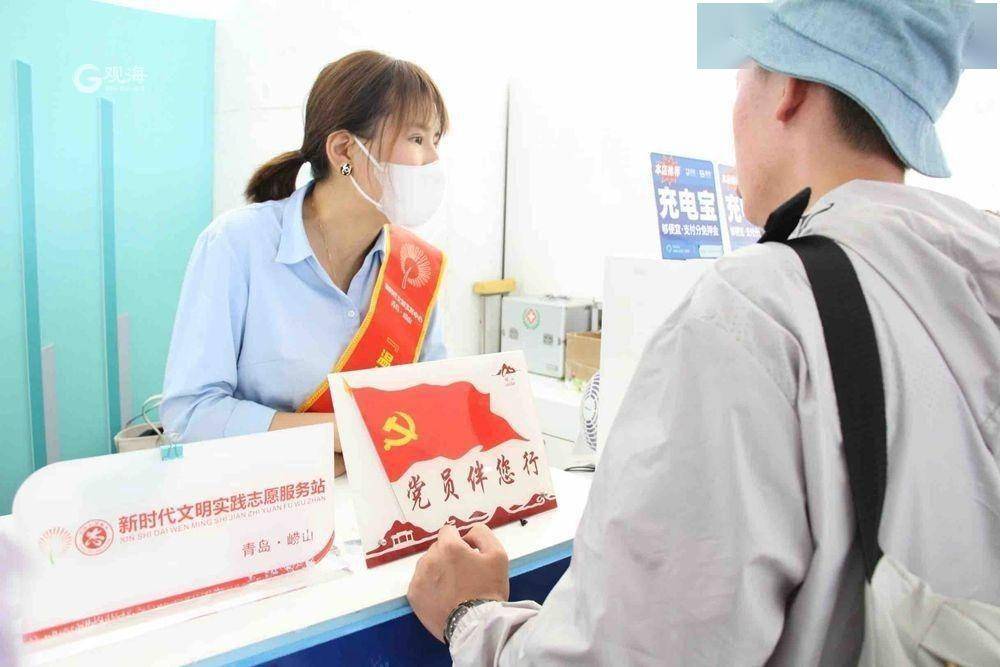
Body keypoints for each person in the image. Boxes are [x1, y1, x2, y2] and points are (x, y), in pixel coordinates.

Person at [407, 1, 1000, 663]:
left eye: (742, 78)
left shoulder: (756, 311)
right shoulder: (973, 276)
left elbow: (626, 652)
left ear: (791, 88)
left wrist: (472, 617)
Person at [161, 51, 450, 474]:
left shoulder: (414, 267)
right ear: (344, 150)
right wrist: (339, 434)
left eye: (437, 140)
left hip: (373, 507)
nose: (433, 160)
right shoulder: (237, 245)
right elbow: (189, 416)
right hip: (261, 501)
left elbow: (431, 402)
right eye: (417, 139)